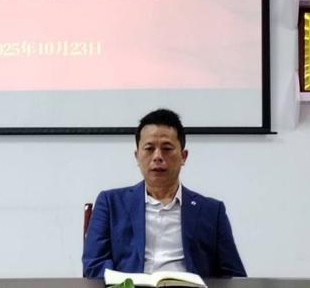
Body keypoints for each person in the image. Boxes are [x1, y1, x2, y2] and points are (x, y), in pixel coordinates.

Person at [82, 108, 246, 279]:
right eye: (149, 148)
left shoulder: (212, 211)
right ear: (137, 156)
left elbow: (233, 275)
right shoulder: (110, 203)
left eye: (167, 149)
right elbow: (94, 264)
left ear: (183, 156)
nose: (158, 157)